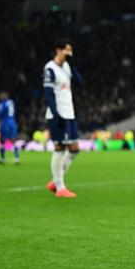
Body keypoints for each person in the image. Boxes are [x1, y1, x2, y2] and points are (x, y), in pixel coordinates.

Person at [43, 39, 82, 198]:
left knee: (75, 149)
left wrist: (72, 65)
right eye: (67, 50)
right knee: (60, 148)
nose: (70, 53)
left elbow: (79, 82)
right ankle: (60, 188)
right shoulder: (50, 68)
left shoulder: (66, 66)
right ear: (58, 50)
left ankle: (55, 180)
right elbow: (48, 94)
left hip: (69, 113)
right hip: (58, 114)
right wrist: (56, 113)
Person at [0, 92, 20, 165]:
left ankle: (2, 159)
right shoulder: (11, 102)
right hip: (13, 122)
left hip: (5, 122)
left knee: (2, 141)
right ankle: (17, 158)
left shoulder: (2, 104)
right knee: (13, 140)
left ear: (3, 97)